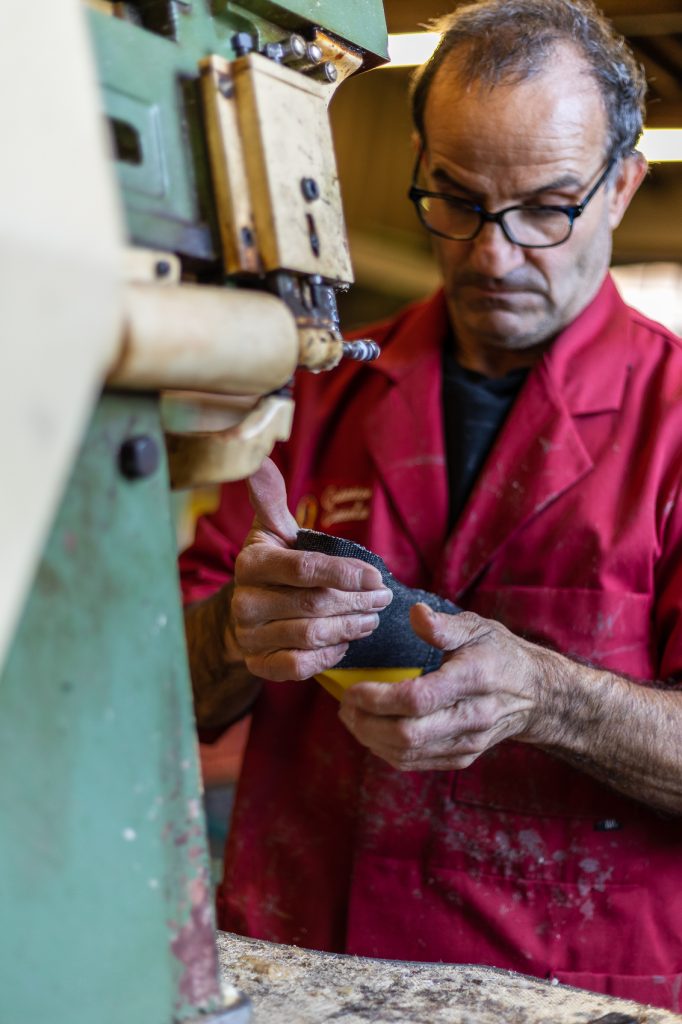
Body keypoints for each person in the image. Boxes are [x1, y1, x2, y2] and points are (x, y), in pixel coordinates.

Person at [180, 0, 682, 1010]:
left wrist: (551, 694)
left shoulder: (671, 424)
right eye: (455, 199)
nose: (493, 256)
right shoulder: (314, 392)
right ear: (420, 160)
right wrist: (239, 631)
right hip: (303, 964)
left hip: (560, 987)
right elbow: (168, 693)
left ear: (621, 184)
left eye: (546, 207)